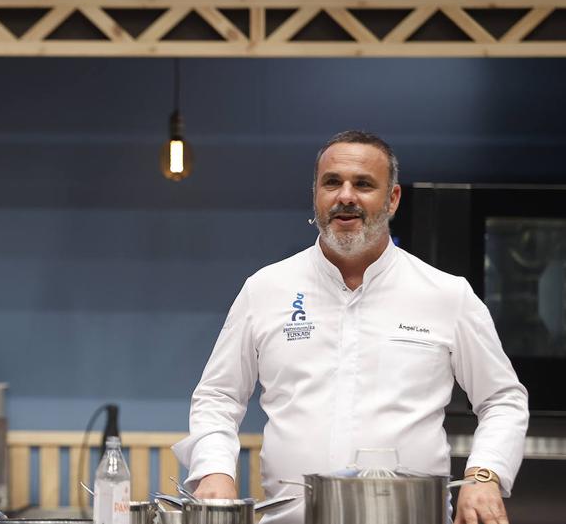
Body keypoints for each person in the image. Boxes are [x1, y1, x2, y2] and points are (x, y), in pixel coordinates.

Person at [172, 131, 528, 524]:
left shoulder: (447, 294)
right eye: (332, 182)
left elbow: (503, 400)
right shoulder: (265, 289)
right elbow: (218, 397)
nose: (345, 196)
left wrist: (484, 475)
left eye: (363, 184)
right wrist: (215, 471)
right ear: (316, 196)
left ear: (392, 199)